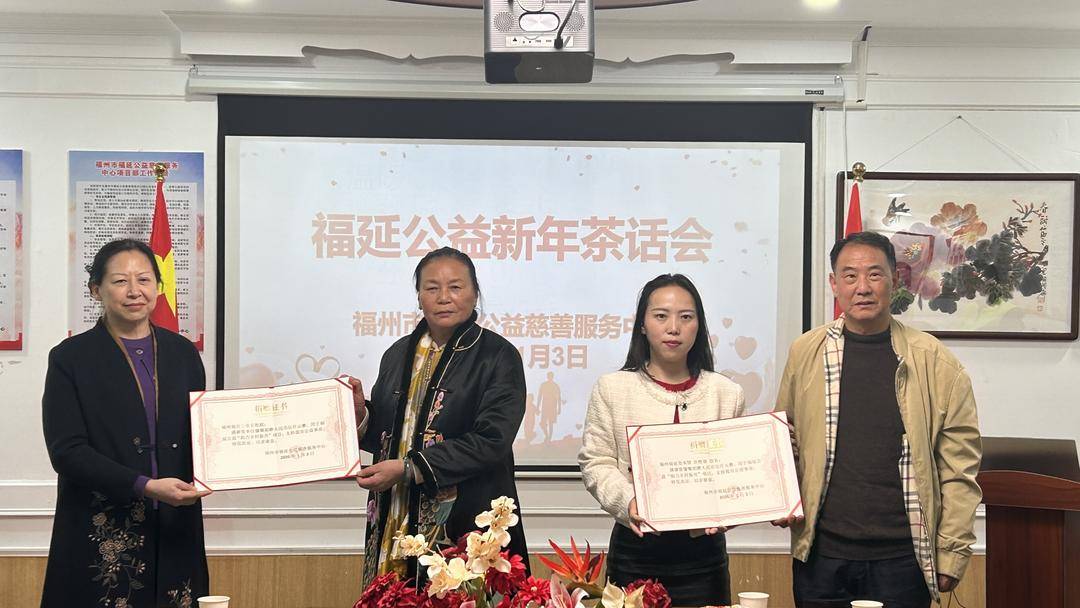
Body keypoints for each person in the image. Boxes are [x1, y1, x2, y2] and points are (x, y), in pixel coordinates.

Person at [773, 231, 981, 608]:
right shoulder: (805, 353)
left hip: (903, 558)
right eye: (850, 276)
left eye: (874, 274)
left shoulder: (935, 362)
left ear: (895, 280)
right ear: (834, 284)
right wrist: (778, 498)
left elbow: (958, 467)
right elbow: (783, 442)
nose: (863, 287)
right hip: (821, 557)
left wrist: (951, 551)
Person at [41, 238, 211, 608]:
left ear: (158, 287)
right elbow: (67, 451)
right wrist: (144, 486)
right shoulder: (70, 358)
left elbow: (204, 432)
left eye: (144, 280)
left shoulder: (183, 353)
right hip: (101, 524)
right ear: (96, 290)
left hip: (175, 522)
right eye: (120, 281)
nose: (135, 291)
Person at [353, 247, 528, 585]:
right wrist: (362, 416)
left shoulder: (498, 356)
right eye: (432, 288)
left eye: (456, 287)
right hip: (396, 512)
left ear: (475, 293)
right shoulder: (397, 354)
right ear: (419, 297)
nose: (444, 297)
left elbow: (492, 440)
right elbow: (389, 436)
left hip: (465, 519)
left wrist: (409, 468)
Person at [578, 274, 744, 606]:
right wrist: (629, 501)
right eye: (661, 316)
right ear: (642, 325)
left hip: (704, 558)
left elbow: (736, 470)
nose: (674, 328)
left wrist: (731, 506)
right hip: (635, 551)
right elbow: (596, 462)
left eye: (686, 317)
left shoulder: (726, 393)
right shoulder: (613, 389)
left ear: (699, 326)